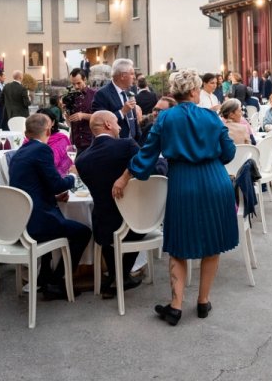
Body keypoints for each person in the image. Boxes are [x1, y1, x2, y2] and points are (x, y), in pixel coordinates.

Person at [112, 69, 238, 326]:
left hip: (183, 182)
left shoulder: (165, 118)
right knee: (212, 244)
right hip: (215, 181)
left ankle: (176, 306)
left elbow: (146, 156)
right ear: (194, 91)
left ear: (174, 92)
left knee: (179, 245)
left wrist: (125, 176)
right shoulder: (211, 117)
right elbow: (228, 153)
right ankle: (203, 302)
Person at [9, 114, 91, 298]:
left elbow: (32, 185)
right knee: (83, 232)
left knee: (64, 225)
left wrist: (53, 196)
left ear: (26, 132)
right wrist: (73, 176)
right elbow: (57, 184)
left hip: (21, 219)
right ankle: (55, 281)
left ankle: (46, 277)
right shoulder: (42, 150)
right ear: (48, 130)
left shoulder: (19, 153)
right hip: (37, 221)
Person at [75, 111, 153, 298]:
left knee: (108, 231)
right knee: (140, 224)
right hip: (135, 223)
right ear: (108, 125)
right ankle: (122, 277)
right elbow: (149, 168)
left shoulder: (81, 160)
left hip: (104, 228)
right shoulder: (126, 146)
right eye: (117, 123)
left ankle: (116, 278)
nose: (120, 126)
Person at [92, 59, 142, 142]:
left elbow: (134, 123)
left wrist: (140, 144)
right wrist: (122, 112)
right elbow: (101, 123)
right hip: (115, 147)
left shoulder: (129, 92)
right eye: (132, 74)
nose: (134, 77)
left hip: (132, 146)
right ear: (122, 76)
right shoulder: (102, 94)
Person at [65, 68, 98, 152]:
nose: (76, 87)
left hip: (91, 142)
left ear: (85, 80)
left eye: (78, 83)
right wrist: (66, 113)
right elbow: (69, 123)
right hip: (75, 142)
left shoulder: (95, 95)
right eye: (73, 84)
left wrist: (83, 116)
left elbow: (100, 117)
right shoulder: (70, 97)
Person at [41, 109, 75, 176]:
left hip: (57, 178)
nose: (42, 124)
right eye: (38, 121)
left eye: (46, 121)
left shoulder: (61, 140)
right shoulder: (29, 140)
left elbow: (53, 162)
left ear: (53, 123)